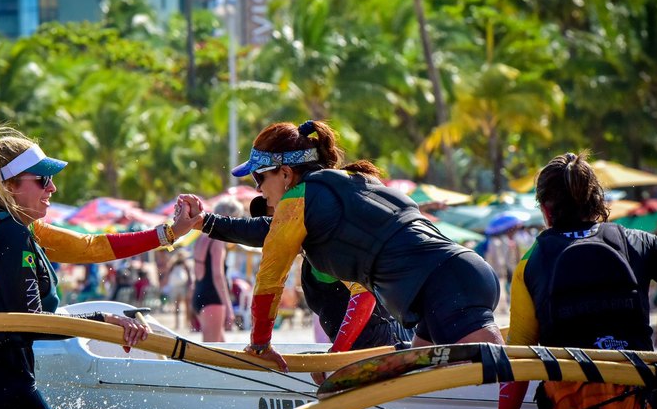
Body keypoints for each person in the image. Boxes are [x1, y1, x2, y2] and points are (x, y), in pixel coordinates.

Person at [0, 127, 198, 409]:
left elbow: (89, 246)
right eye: (42, 179)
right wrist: (103, 321)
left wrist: (169, 233)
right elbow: (31, 322)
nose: (53, 188)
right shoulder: (13, 232)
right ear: (9, 184)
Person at [177, 120, 503, 372]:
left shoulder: (299, 202)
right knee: (425, 385)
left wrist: (260, 345)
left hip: (444, 290)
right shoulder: (355, 183)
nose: (258, 190)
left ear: (286, 174)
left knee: (504, 381)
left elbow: (268, 283)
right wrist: (204, 221)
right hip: (456, 279)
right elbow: (267, 231)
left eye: (259, 178)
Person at [493, 152, 657, 409]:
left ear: (546, 210)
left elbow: (519, 358)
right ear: (598, 200)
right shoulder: (638, 242)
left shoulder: (530, 263)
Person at [176, 193, 414, 383]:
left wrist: (333, 358)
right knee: (215, 344)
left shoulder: (322, 246)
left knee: (215, 343)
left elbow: (365, 298)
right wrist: (203, 220)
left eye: (275, 217)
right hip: (362, 350)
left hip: (378, 350)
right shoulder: (307, 242)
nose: (273, 227)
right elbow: (248, 230)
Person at [192, 197, 244, 342]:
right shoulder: (217, 239)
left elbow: (197, 272)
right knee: (211, 352)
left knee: (222, 349)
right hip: (213, 298)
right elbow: (217, 274)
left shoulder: (202, 236)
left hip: (200, 293)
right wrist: (228, 306)